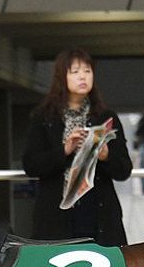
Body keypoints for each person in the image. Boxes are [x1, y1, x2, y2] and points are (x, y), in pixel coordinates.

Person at [22, 48, 131, 246]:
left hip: (98, 211)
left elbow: (124, 169)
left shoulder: (106, 117)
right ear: (61, 77)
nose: (83, 77)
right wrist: (65, 150)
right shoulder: (44, 118)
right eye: (75, 72)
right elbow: (31, 165)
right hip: (57, 213)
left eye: (87, 71)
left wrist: (105, 155)